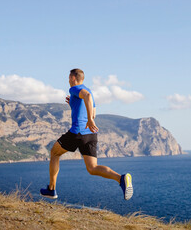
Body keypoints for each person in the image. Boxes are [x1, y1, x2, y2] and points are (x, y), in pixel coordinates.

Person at [40, 68, 133, 200]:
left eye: (68, 78)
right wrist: (75, 106)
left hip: (77, 132)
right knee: (92, 168)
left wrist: (89, 120)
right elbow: (92, 110)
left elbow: (87, 101)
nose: (68, 81)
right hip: (91, 134)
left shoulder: (74, 89)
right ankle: (121, 179)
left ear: (73, 78)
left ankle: (51, 189)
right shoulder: (89, 91)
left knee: (54, 153)